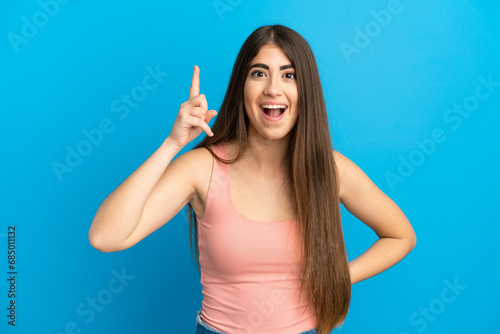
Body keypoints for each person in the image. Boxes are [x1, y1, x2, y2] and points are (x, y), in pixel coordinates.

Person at [88, 25, 417, 334]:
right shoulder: (202, 168)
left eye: (289, 75)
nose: (273, 88)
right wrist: (172, 144)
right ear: (241, 87)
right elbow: (106, 236)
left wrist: (337, 277)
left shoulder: (329, 170)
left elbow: (401, 236)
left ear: (306, 92)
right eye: (259, 73)